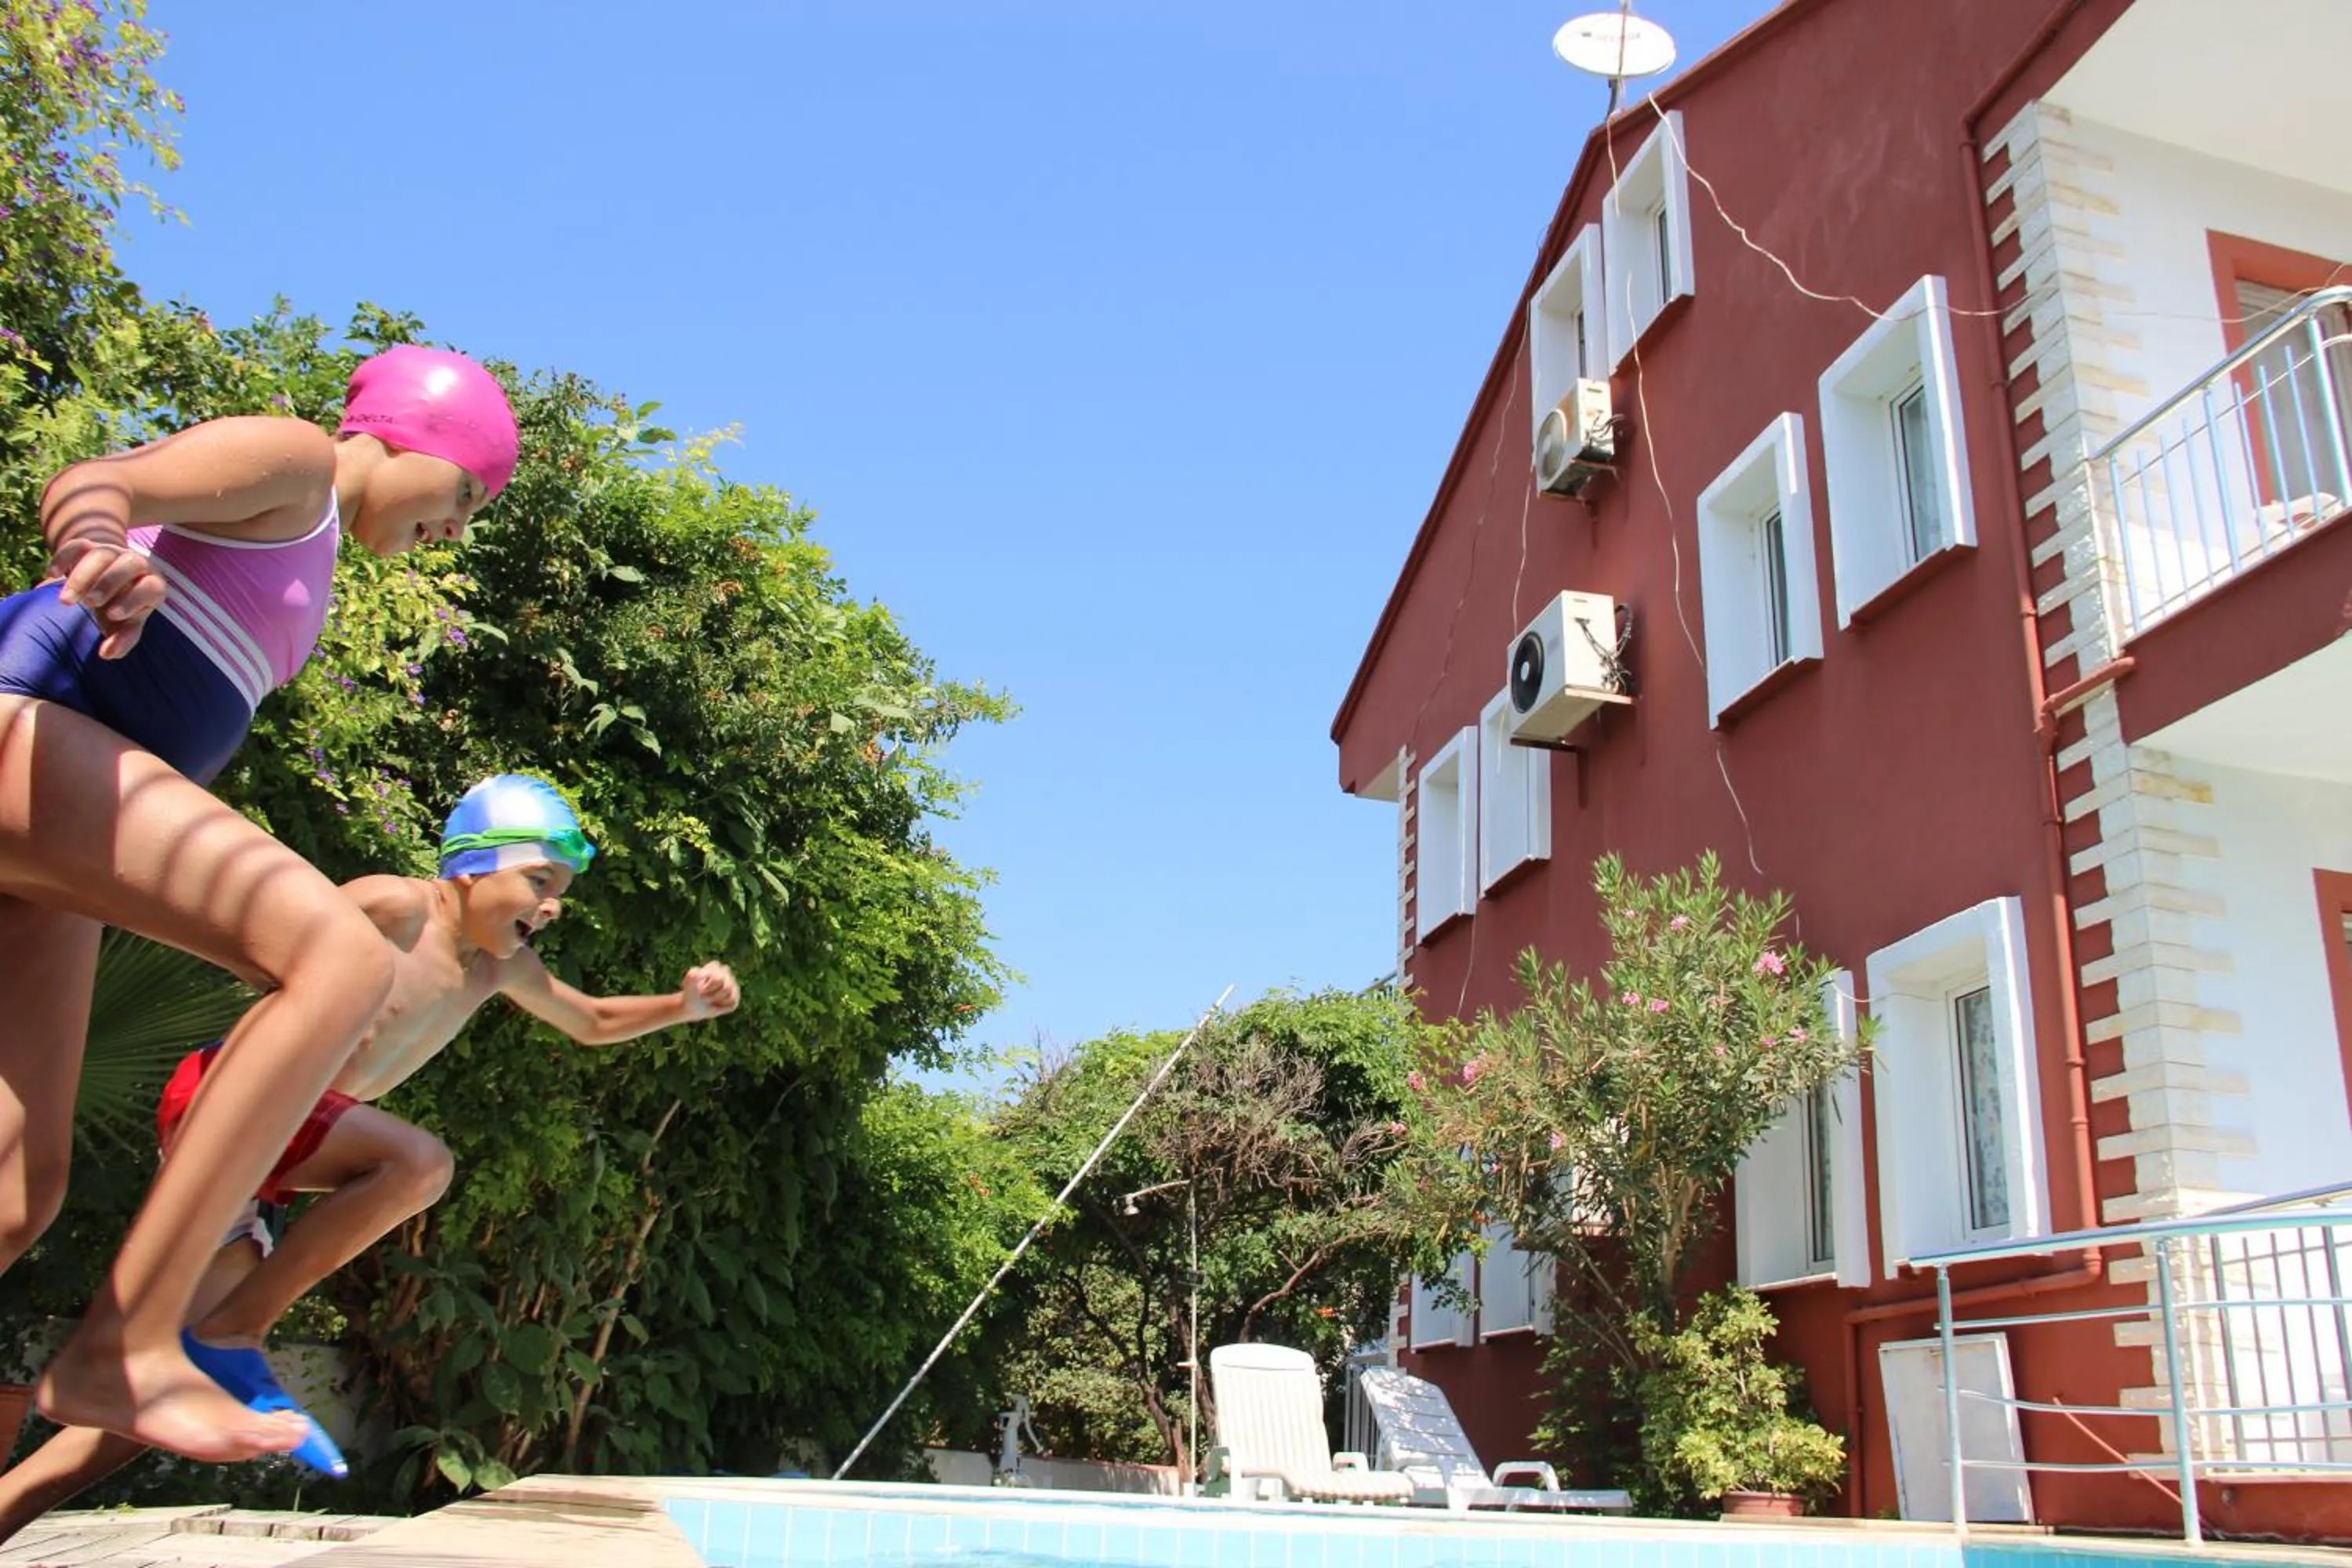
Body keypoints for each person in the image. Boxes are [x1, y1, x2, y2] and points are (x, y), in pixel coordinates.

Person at [0, 346, 518, 1463]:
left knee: (17, 1188)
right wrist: (96, 546)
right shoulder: (295, 470)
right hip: (23, 732)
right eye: (466, 494)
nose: (459, 527)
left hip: (59, 823)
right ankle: (127, 1346)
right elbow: (100, 480)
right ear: (411, 438)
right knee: (339, 958)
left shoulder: (316, 569)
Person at [0, 775, 740, 1530]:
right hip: (233, 1094)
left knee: (156, 1390)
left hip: (279, 1149)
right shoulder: (397, 904)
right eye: (539, 880)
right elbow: (268, 940)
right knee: (418, 1165)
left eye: (562, 893)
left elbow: (590, 1020)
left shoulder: (499, 969)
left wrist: (680, 1007)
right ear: (470, 870)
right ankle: (236, 1330)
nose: (552, 906)